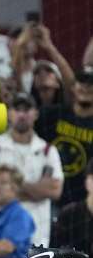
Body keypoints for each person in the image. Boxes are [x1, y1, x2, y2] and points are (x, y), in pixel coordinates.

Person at [0, 93, 63, 245]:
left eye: (27, 109)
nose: (22, 114)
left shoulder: (48, 150)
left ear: (36, 113)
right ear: (9, 113)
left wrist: (8, 186)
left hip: (37, 235)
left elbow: (55, 191)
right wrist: (37, 191)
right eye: (17, 109)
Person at [38, 66, 93, 209]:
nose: (86, 88)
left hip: (82, 204)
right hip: (47, 198)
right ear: (73, 88)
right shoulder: (52, 115)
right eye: (82, 83)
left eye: (91, 84)